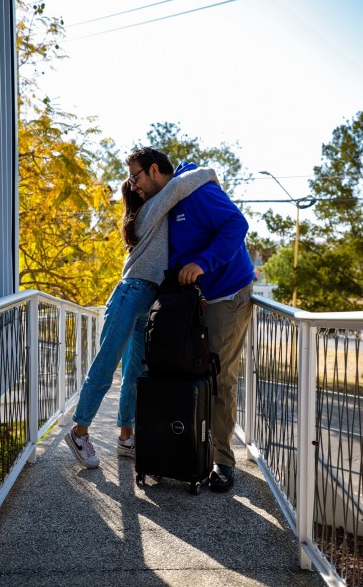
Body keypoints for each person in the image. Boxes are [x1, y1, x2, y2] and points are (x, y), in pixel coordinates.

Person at [64, 166, 219, 469]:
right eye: (135, 182)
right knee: (106, 363)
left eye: (138, 180)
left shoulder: (150, 212)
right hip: (130, 294)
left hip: (147, 299)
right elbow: (178, 186)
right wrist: (210, 171)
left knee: (135, 373)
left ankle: (126, 438)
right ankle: (79, 432)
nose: (138, 185)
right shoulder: (151, 208)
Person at [125, 147, 255, 492]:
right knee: (181, 370)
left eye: (136, 177)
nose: (133, 185)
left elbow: (237, 224)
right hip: (192, 300)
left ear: (155, 170)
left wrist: (203, 263)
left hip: (226, 295)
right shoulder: (167, 201)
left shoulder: (196, 191)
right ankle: (183, 450)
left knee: (219, 376)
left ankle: (222, 461)